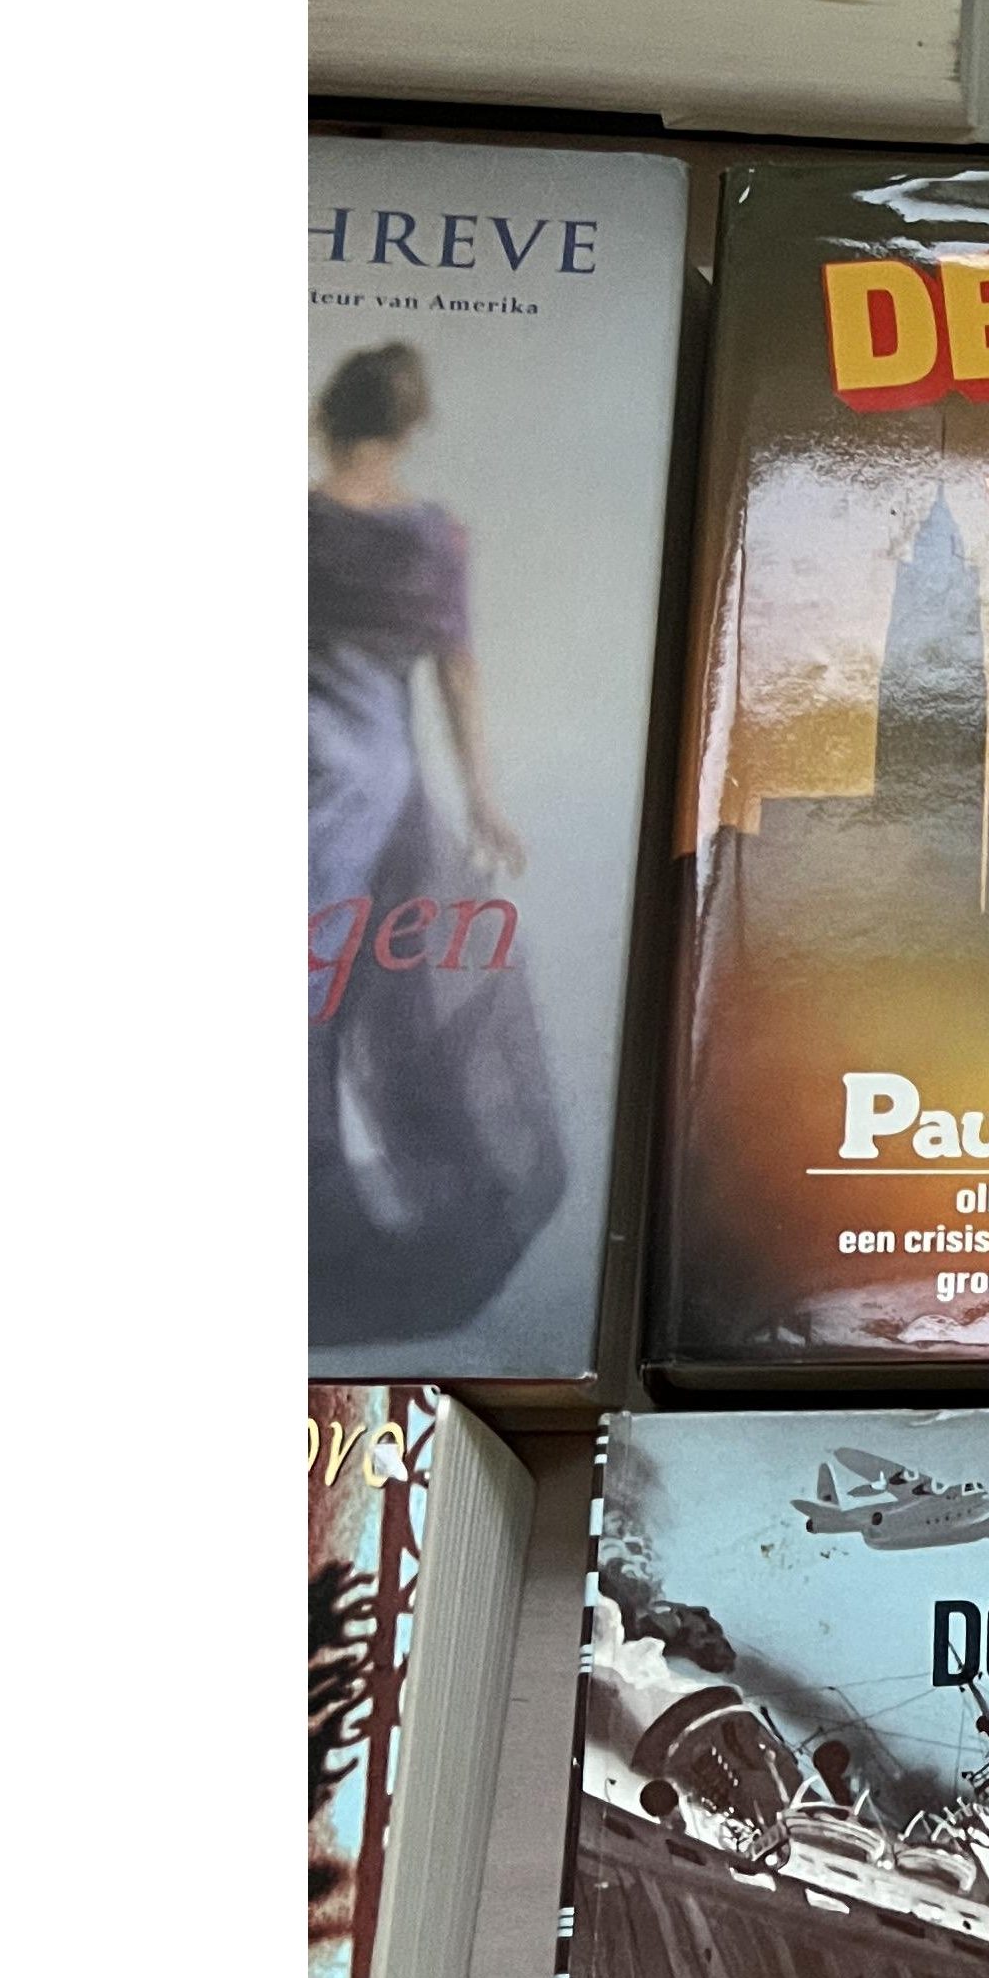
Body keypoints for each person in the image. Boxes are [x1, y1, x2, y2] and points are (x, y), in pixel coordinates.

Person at [310, 343, 569, 1341]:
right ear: (411, 427)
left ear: (325, 417)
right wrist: (484, 803)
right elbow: (458, 673)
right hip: (382, 798)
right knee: (372, 1000)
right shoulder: (431, 538)